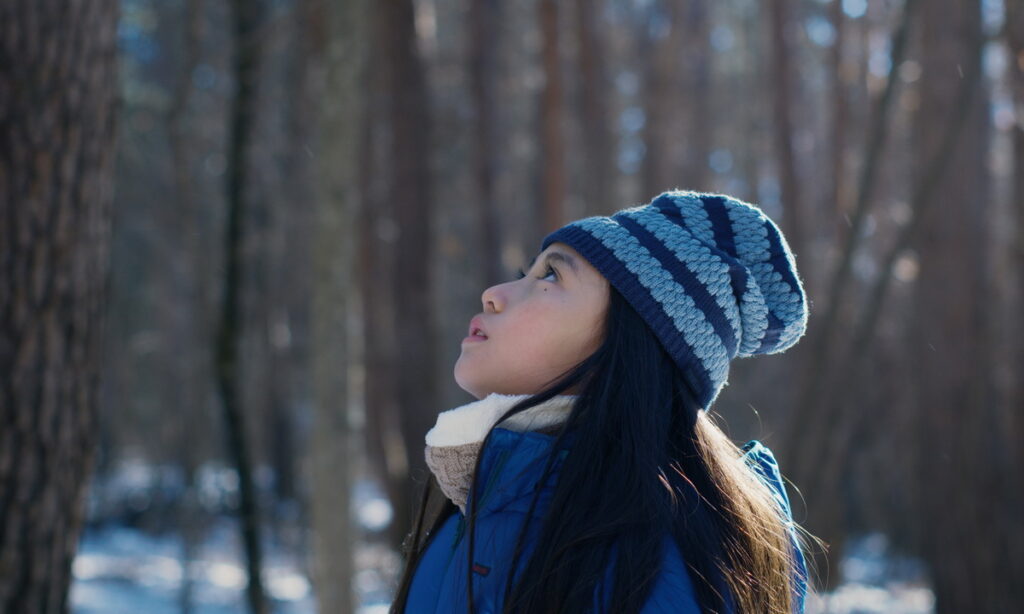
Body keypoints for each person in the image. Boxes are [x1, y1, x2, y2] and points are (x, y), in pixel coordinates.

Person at [389, 189, 817, 613]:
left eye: (551, 276)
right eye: (526, 272)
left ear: (627, 343)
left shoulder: (656, 559)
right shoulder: (491, 497)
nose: (495, 293)